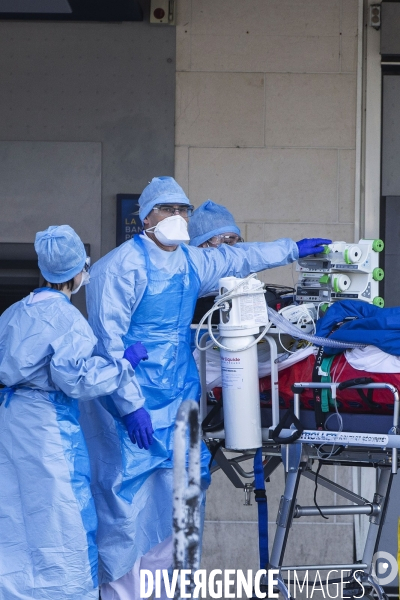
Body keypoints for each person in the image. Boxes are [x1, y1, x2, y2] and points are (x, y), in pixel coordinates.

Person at [81, 176, 331, 600]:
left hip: (180, 398)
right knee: (126, 515)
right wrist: (129, 406)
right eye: (169, 210)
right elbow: (108, 345)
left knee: (182, 505)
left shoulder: (191, 263)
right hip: (129, 410)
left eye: (184, 210)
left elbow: (240, 257)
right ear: (146, 218)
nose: (178, 218)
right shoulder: (117, 268)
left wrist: (290, 249)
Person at [0, 225, 148, 600]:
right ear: (78, 272)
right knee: (61, 514)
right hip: (46, 426)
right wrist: (123, 364)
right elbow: (76, 380)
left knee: (15, 514)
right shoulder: (67, 319)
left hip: (10, 421)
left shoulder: (13, 314)